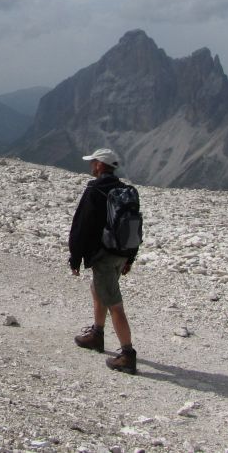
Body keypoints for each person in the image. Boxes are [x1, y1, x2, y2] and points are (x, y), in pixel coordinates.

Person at [67, 147, 138, 374]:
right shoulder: (126, 190)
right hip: (121, 253)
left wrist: (75, 256)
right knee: (98, 290)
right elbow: (134, 226)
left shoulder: (95, 190)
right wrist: (130, 257)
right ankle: (96, 335)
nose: (91, 165)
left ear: (99, 165)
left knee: (114, 304)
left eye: (93, 162)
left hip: (104, 255)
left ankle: (127, 354)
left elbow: (82, 224)